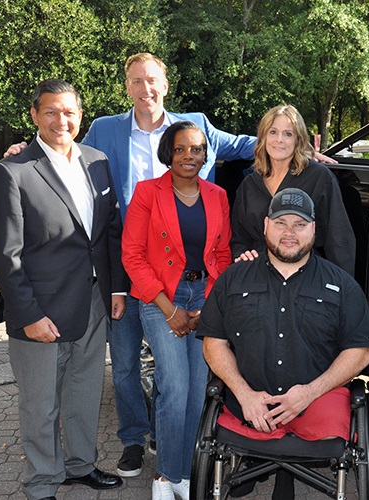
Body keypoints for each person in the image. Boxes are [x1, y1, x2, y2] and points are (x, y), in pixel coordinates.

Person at [4, 55, 336, 478]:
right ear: (127, 86)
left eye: (153, 81)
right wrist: (24, 149)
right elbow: (63, 145)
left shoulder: (194, 126)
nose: (146, 89)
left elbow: (240, 143)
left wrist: (301, 148)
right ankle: (132, 440)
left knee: (180, 383)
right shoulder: (105, 128)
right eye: (137, 81)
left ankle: (171, 442)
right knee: (123, 363)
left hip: (189, 270)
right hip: (124, 259)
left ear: (166, 84)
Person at [0, 79, 128, 500]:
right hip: (40, 311)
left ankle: (80, 467)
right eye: (50, 111)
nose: (60, 120)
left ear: (80, 116)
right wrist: (27, 315)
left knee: (83, 394)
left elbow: (109, 234)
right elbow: (5, 256)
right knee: (40, 405)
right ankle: (42, 482)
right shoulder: (12, 172)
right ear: (34, 116)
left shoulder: (97, 160)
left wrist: (117, 289)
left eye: (69, 112)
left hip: (93, 304)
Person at [198, 187, 369, 498]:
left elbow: (360, 352)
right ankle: (272, 467)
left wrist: (308, 393)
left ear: (314, 229)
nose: (290, 233)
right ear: (266, 225)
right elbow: (214, 342)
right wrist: (244, 394)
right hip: (248, 404)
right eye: (281, 223)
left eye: (300, 224)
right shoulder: (234, 279)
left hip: (317, 401)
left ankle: (280, 471)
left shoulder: (341, 285)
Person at [122, 120, 232, 500]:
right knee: (175, 385)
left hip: (204, 296)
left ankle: (182, 474)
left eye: (197, 149)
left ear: (205, 154)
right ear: (168, 152)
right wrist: (170, 310)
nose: (189, 156)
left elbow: (222, 254)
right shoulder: (146, 193)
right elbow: (132, 256)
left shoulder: (217, 195)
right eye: (182, 148)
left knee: (198, 391)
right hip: (159, 298)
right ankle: (166, 477)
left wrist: (210, 302)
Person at [230, 104, 355, 275]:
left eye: (288, 134)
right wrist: (241, 254)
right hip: (257, 277)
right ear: (263, 137)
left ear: (298, 139)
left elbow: (339, 239)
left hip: (305, 277)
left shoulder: (319, 177)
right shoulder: (250, 183)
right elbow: (239, 237)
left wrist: (342, 287)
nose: (279, 139)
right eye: (273, 132)